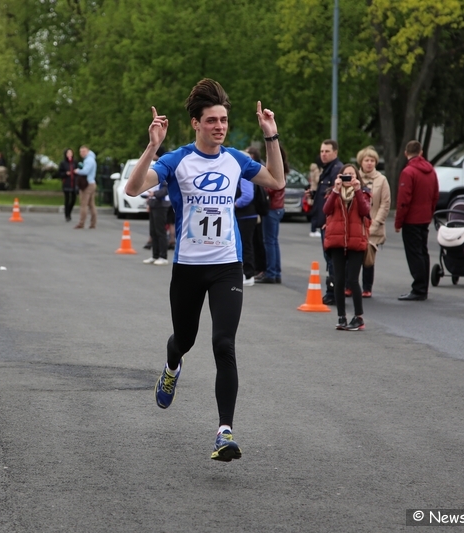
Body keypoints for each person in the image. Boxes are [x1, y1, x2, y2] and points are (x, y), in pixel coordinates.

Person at [125, 78, 284, 461]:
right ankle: (172, 364)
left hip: (227, 266)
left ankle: (224, 432)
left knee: (223, 344)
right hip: (188, 269)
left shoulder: (236, 160)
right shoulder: (177, 160)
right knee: (185, 339)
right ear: (196, 123)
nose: (220, 126)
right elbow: (132, 189)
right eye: (212, 120)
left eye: (224, 120)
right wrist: (151, 147)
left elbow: (276, 181)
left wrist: (271, 136)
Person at [323, 163, 370, 330]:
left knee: (353, 280)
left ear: (357, 177)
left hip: (355, 241)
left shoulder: (363, 193)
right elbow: (326, 210)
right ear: (339, 177)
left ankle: (358, 317)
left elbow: (365, 211)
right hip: (337, 241)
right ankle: (341, 316)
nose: (348, 178)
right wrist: (335, 191)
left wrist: (357, 190)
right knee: (338, 280)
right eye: (345, 175)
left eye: (352, 175)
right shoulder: (333, 193)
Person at [395, 140, 439, 301]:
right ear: (421, 152)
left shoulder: (409, 172)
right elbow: (435, 195)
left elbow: (403, 200)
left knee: (414, 253)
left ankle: (419, 288)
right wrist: (430, 211)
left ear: (406, 153)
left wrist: (398, 222)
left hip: (412, 218)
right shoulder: (431, 171)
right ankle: (423, 286)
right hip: (424, 217)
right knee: (423, 252)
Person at [312, 140, 344, 304]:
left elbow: (336, 199)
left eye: (327, 151)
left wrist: (328, 220)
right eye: (322, 151)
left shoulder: (336, 170)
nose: (323, 154)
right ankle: (334, 291)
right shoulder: (327, 169)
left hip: (330, 224)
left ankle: (333, 293)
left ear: (335, 152)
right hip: (325, 222)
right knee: (329, 259)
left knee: (332, 260)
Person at [357, 146, 391, 298]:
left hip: (373, 225)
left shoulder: (382, 180)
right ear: (361, 162)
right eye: (366, 160)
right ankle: (351, 285)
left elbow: (385, 203)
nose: (369, 163)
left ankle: (367, 287)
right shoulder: (355, 178)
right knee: (354, 255)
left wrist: (376, 222)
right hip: (357, 224)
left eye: (372, 161)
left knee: (368, 257)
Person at [257, 145, 287, 284]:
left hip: (272, 208)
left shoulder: (278, 172)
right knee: (273, 241)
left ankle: (271, 272)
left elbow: (273, 188)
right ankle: (276, 272)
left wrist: (262, 185)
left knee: (269, 241)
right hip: (278, 208)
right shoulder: (283, 170)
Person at [235, 156, 258, 285]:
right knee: (242, 244)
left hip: (246, 215)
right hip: (244, 215)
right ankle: (245, 273)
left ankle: (249, 274)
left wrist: (234, 204)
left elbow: (248, 195)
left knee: (246, 244)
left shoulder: (244, 174)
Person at [245, 146, 267, 278]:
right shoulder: (256, 168)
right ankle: (257, 268)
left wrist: (235, 204)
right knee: (255, 241)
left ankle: (255, 270)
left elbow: (248, 195)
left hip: (252, 210)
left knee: (256, 242)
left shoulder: (253, 170)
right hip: (255, 210)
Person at [142, 179, 171, 266]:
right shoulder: (155, 177)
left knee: (160, 231)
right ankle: (155, 255)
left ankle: (163, 256)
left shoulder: (165, 177)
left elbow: (166, 190)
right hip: (154, 203)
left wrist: (154, 194)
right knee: (153, 231)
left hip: (162, 204)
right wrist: (149, 202)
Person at [74, 145, 97, 229]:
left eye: (83, 151)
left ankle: (81, 223)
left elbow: (85, 171)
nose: (81, 153)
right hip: (92, 183)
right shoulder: (91, 159)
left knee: (84, 204)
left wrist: (78, 171)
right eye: (80, 151)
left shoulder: (89, 160)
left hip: (87, 184)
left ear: (87, 151)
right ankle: (93, 223)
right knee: (91, 204)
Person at [58, 148, 78, 222]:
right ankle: (67, 215)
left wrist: (76, 172)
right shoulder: (63, 163)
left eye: (71, 153)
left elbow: (78, 170)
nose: (69, 154)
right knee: (67, 199)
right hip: (66, 182)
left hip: (74, 183)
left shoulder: (75, 162)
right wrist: (65, 174)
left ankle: (69, 211)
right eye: (68, 153)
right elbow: (60, 173)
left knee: (73, 199)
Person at [308, 159, 322, 237]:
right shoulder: (317, 170)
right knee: (316, 211)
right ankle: (314, 229)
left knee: (314, 210)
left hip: (312, 189)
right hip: (316, 190)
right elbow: (317, 180)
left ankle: (313, 229)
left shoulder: (312, 170)